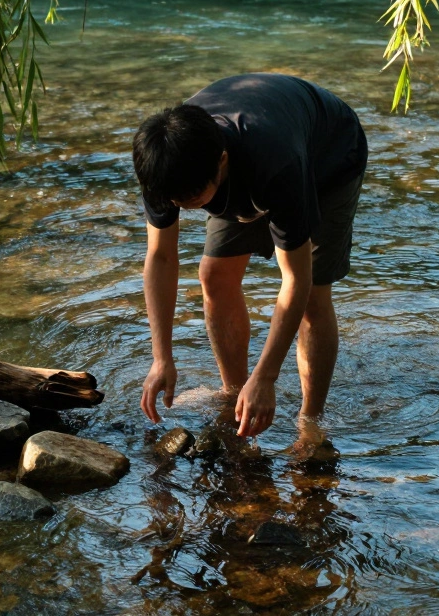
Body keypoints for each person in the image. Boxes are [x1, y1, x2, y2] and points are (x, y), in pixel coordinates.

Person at [131, 73, 367, 438]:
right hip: (259, 148)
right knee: (213, 275)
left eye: (194, 201)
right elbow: (161, 257)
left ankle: (311, 422)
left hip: (330, 157)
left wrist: (267, 376)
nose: (184, 209)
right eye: (177, 202)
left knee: (314, 296)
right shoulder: (163, 165)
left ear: (222, 162)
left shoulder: (275, 164)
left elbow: (295, 280)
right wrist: (161, 357)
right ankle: (235, 394)